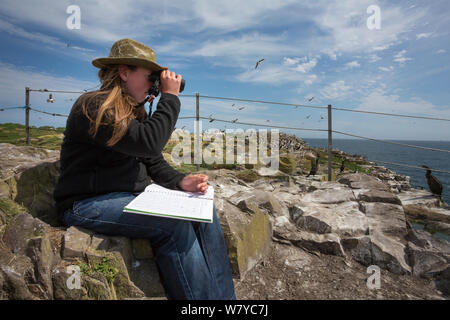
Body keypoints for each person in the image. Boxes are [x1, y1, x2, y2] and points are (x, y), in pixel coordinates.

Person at [53, 38, 236, 300]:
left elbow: (151, 158)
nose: (155, 84)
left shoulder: (133, 110)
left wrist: (180, 181)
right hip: (86, 203)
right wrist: (170, 97)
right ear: (124, 72)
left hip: (127, 196)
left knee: (205, 210)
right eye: (150, 77)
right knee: (174, 225)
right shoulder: (95, 106)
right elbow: (149, 143)